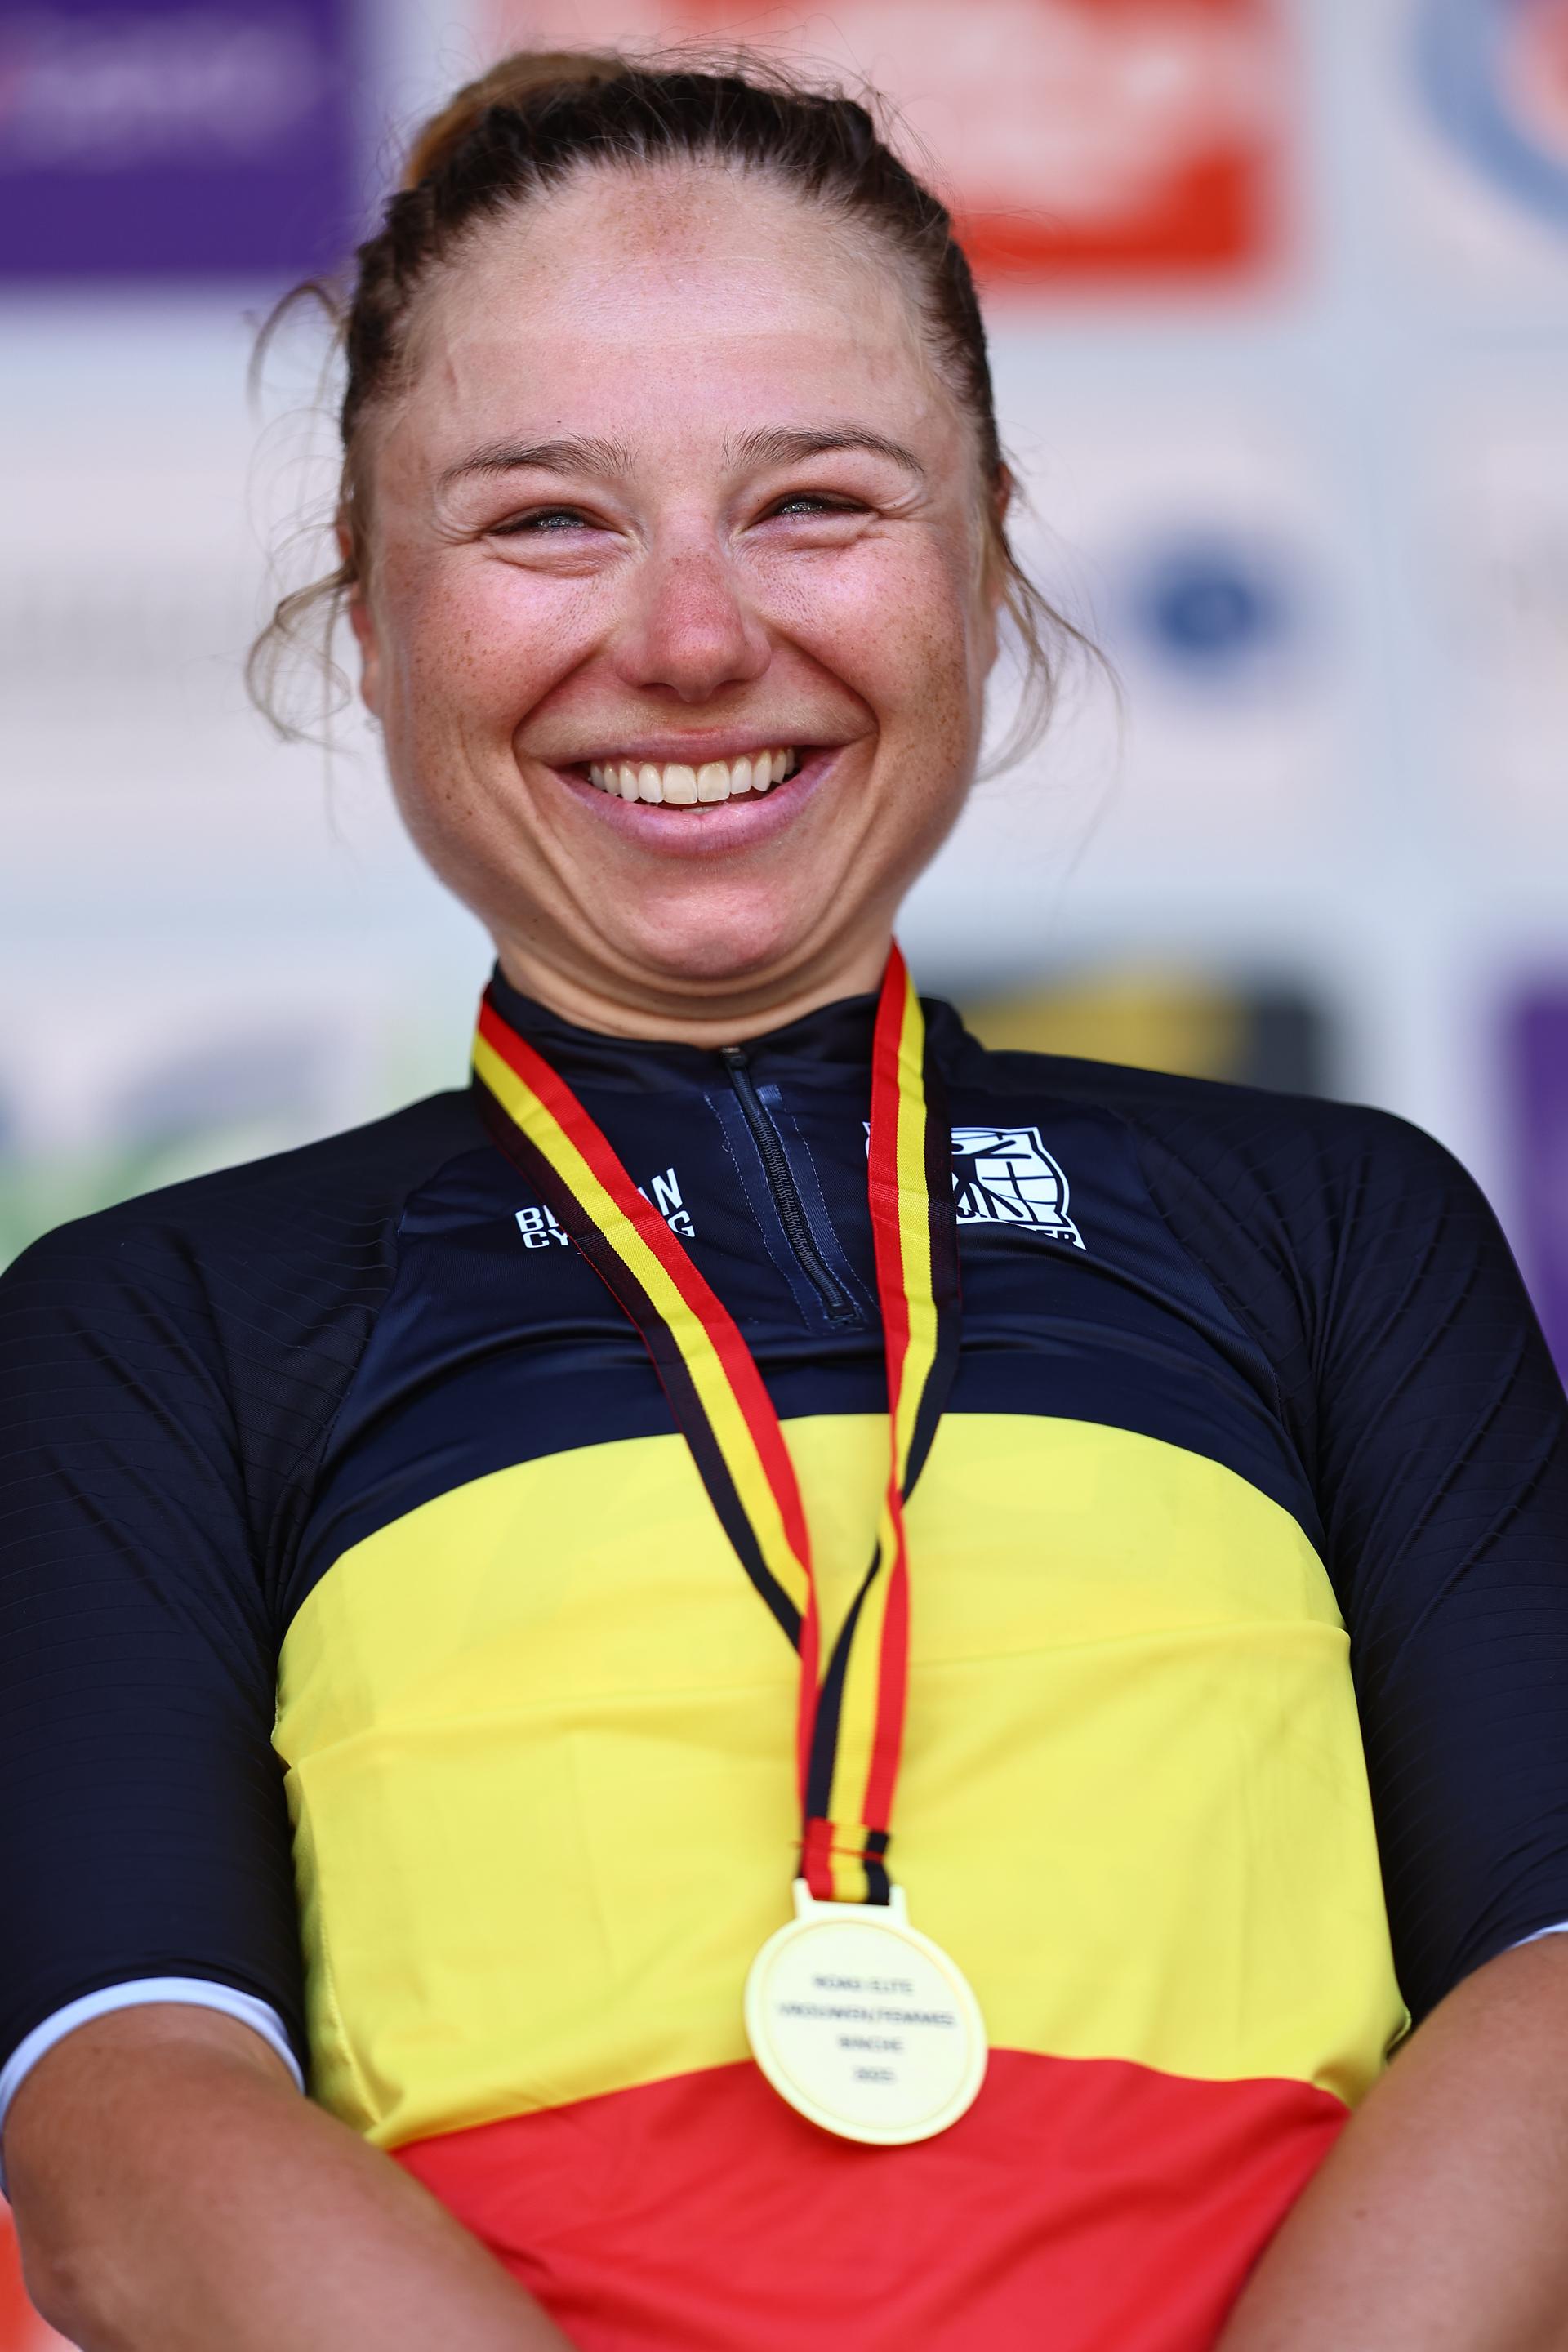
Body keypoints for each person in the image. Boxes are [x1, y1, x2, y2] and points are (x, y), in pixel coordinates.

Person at [2, 49, 1568, 2352]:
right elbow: (125, 2113)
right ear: (370, 609)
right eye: (549, 522)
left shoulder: (1340, 1230)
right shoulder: (154, 1325)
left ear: (985, 557)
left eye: (815, 503)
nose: (694, 639)